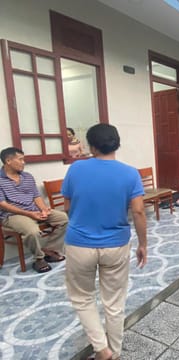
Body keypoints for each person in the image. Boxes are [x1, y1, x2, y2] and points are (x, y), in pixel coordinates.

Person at [62, 124, 147, 360]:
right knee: (114, 302)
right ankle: (115, 352)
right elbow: (139, 212)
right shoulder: (130, 173)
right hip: (116, 245)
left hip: (79, 244)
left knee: (82, 297)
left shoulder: (76, 168)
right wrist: (143, 244)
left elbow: (67, 207)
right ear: (116, 143)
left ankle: (102, 349)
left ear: (92, 145)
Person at [0, 147, 67, 273]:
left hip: (33, 210)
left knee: (63, 218)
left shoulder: (27, 176)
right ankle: (39, 259)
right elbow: (2, 204)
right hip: (12, 215)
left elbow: (36, 196)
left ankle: (49, 249)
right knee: (32, 231)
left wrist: (43, 209)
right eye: (20, 159)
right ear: (8, 161)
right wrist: (29, 213)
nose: (23, 162)